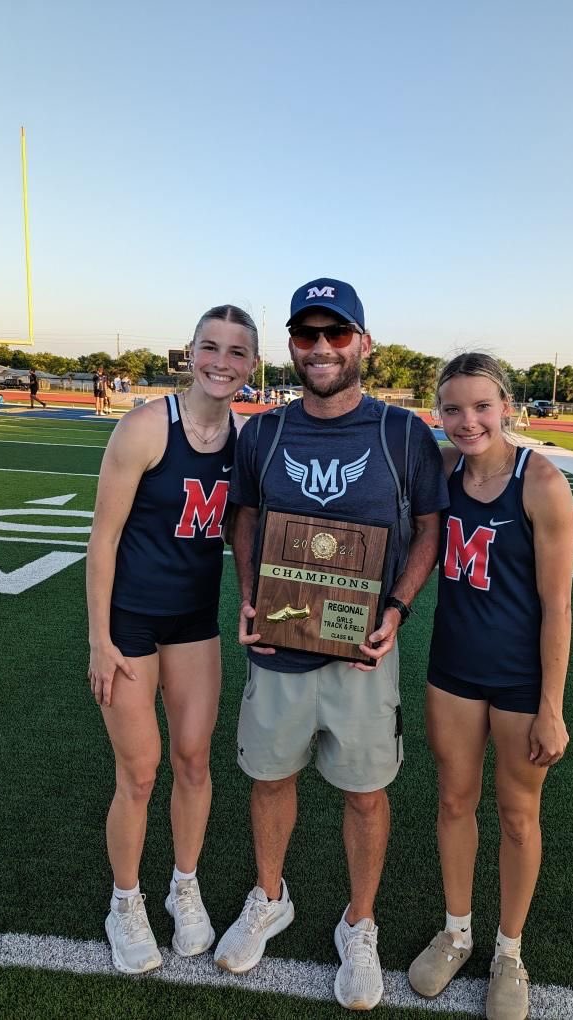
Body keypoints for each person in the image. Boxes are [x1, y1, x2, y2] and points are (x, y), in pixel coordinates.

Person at [215, 278, 448, 1010]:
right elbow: (244, 516)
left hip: (363, 654)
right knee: (270, 779)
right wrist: (250, 595)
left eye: (336, 334)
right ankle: (270, 896)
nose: (321, 348)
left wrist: (400, 610)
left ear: (363, 343)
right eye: (307, 335)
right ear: (291, 345)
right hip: (280, 647)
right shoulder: (264, 431)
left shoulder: (402, 432)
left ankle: (361, 922)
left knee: (367, 795)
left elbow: (431, 530)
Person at [86, 305, 258, 975]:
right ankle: (124, 901)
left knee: (193, 761)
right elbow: (101, 539)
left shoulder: (244, 443)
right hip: (130, 621)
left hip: (193, 621)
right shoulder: (145, 426)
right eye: (209, 346)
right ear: (190, 353)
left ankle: (183, 884)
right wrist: (99, 639)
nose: (221, 360)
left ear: (251, 364)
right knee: (140, 772)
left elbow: (240, 532)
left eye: (236, 351)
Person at [407, 353, 573, 1020]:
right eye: (453, 408)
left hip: (518, 678)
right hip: (452, 668)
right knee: (453, 800)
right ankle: (456, 931)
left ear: (505, 404)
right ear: (439, 413)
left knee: (517, 813)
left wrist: (552, 706)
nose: (467, 420)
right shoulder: (441, 472)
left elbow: (557, 605)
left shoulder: (542, 483)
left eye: (481, 406)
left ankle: (509, 950)